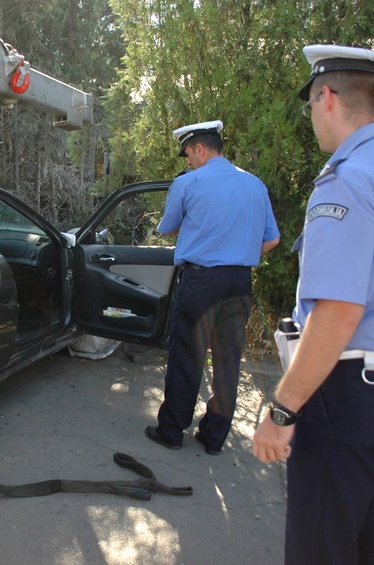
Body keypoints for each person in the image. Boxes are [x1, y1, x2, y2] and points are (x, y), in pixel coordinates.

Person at [252, 45, 374, 564]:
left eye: (311, 105)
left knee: (321, 543)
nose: (312, 117)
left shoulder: (348, 180)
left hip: (350, 392)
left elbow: (339, 312)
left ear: (326, 97)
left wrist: (282, 410)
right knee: (369, 529)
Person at [145, 120, 280, 455]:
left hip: (201, 281)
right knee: (228, 360)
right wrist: (239, 254)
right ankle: (214, 437)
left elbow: (168, 228)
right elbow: (272, 239)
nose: (189, 161)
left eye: (189, 155)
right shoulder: (255, 185)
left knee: (187, 356)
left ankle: (172, 430)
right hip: (239, 282)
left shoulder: (188, 183)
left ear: (201, 149)